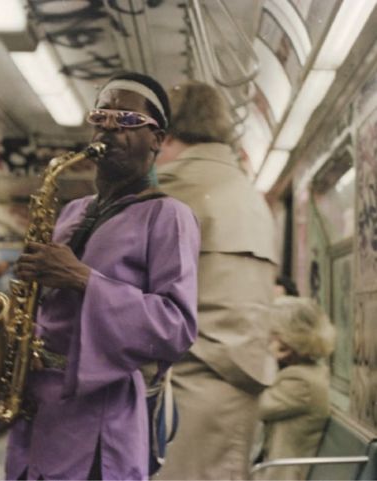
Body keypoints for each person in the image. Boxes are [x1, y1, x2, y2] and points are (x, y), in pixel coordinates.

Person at [6, 71, 200, 480]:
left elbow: (177, 329)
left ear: (157, 139)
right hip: (37, 408)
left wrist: (83, 280)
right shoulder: (74, 211)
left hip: (98, 421)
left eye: (128, 120)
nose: (110, 128)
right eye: (102, 116)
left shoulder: (169, 216)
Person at [155, 81, 279, 480]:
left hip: (188, 380)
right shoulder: (246, 192)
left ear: (166, 135)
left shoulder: (177, 186)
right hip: (233, 379)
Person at [258, 296, 335, 480]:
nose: (267, 337)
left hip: (282, 474)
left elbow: (254, 408)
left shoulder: (301, 382)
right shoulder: (309, 372)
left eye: (273, 332)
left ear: (288, 337)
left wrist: (268, 357)